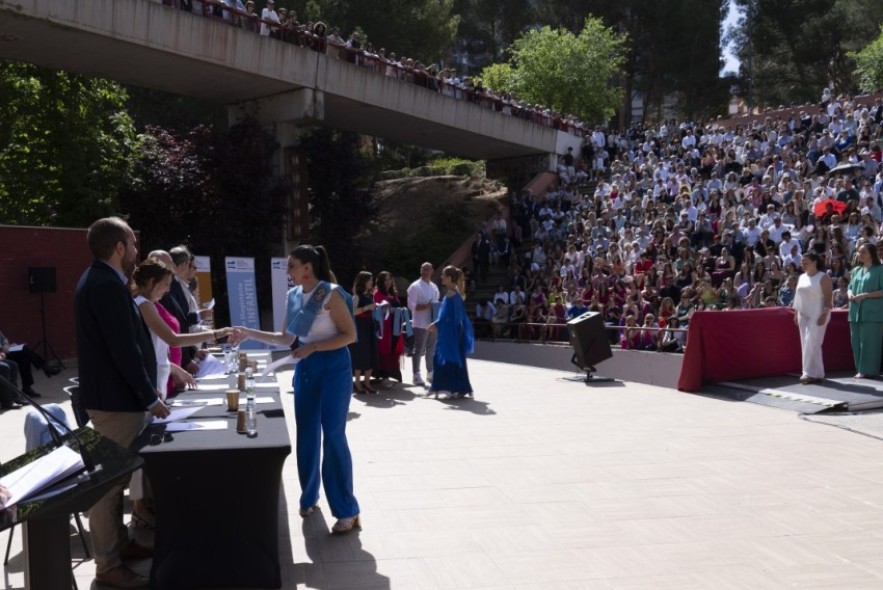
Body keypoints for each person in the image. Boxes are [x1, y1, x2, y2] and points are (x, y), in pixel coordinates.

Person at [229, 245, 360, 534]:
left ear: (307, 268)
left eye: (291, 266)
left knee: (334, 435)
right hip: (307, 368)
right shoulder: (292, 296)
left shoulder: (331, 293)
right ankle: (309, 497)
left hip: (334, 367)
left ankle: (346, 509)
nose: (287, 271)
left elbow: (349, 335)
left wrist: (313, 346)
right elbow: (285, 338)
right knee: (307, 434)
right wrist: (246, 331)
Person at [74, 217, 170, 589]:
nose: (136, 251)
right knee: (108, 487)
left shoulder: (104, 280)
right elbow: (123, 349)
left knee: (115, 482)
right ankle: (107, 564)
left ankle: (121, 545)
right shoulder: (104, 284)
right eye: (132, 244)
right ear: (118, 247)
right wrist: (149, 396)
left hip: (118, 399)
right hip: (116, 403)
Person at [426, 266, 474, 399]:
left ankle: (440, 387)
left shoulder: (450, 293)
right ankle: (459, 387)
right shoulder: (456, 291)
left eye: (443, 275)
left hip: (450, 331)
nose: (441, 277)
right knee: (456, 358)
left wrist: (435, 324)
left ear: (449, 278)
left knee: (440, 357)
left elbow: (445, 315)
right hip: (456, 330)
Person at [793, 253, 834, 384]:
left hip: (818, 312)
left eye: (806, 262)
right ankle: (816, 373)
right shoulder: (801, 277)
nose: (803, 265)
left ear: (815, 262)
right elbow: (798, 296)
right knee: (806, 343)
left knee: (812, 341)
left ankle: (808, 373)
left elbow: (828, 297)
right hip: (802, 313)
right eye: (802, 263)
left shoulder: (823, 277)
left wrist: (825, 313)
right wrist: (796, 313)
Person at [848, 243, 883, 379]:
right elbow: (850, 286)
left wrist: (866, 295)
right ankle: (860, 368)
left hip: (873, 313)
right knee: (856, 341)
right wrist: (850, 294)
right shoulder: (856, 270)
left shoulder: (880, 269)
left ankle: (868, 370)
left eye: (863, 252)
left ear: (871, 254)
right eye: (859, 252)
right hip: (855, 312)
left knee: (870, 342)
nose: (860, 255)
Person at [0, 330, 61, 397]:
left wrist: (5, 344)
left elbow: (4, 338)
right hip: (1, 354)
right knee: (24, 351)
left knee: (24, 355)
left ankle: (27, 387)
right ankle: (45, 367)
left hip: (5, 350)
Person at [407, 262, 439, 386]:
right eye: (423, 269)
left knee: (431, 348)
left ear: (432, 271)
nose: (425, 271)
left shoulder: (434, 287)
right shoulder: (415, 286)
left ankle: (430, 373)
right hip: (420, 323)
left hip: (433, 322)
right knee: (419, 349)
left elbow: (436, 304)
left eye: (428, 269)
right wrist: (426, 306)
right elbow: (411, 305)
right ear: (421, 270)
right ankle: (416, 374)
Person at [373, 271, 404, 388]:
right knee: (385, 350)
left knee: (393, 350)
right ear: (380, 281)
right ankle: (384, 378)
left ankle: (391, 374)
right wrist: (390, 310)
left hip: (395, 326)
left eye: (390, 279)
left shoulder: (393, 293)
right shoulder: (377, 293)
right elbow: (377, 309)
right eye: (385, 280)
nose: (388, 282)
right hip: (385, 327)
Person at [349, 271, 378, 394]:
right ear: (364, 281)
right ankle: (357, 383)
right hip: (359, 328)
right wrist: (367, 308)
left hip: (370, 327)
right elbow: (352, 312)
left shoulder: (371, 295)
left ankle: (367, 382)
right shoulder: (356, 297)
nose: (372, 282)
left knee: (371, 353)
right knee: (360, 354)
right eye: (370, 280)